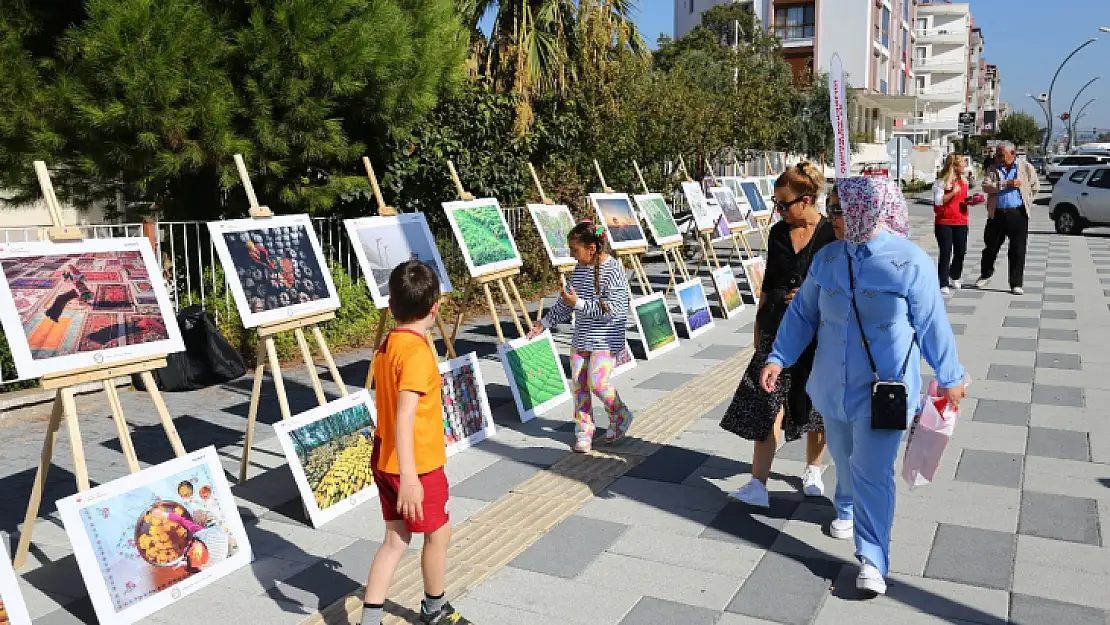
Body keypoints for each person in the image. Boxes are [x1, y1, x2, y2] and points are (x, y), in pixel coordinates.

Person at [761, 176, 966, 596]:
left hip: (884, 392)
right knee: (844, 455)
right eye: (833, 208)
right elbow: (803, 314)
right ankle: (847, 503)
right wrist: (778, 358)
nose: (832, 217)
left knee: (872, 471)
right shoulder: (828, 259)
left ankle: (872, 558)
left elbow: (931, 324)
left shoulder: (909, 262)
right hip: (832, 388)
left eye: (839, 209)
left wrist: (950, 377)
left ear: (865, 212)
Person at [719, 162, 836, 507]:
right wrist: (758, 324)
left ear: (807, 199)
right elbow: (769, 283)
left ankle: (813, 469)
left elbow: (843, 284)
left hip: (819, 330)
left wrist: (812, 294)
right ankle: (758, 483)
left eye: (784, 204)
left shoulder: (831, 234)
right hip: (777, 327)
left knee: (816, 403)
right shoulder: (778, 233)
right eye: (776, 203)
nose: (779, 211)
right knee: (767, 402)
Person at [362, 260, 471, 625]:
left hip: (384, 456)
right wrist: (410, 478)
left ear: (391, 307)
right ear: (436, 306)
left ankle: (370, 619)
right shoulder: (418, 353)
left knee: (395, 540)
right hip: (417, 466)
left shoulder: (388, 344)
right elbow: (405, 415)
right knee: (438, 535)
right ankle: (435, 608)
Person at [528, 221, 633, 453]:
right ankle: (584, 431)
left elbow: (612, 310)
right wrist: (544, 323)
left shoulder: (614, 270)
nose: (572, 255)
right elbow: (566, 303)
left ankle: (620, 414)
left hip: (606, 340)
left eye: (575, 250)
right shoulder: (579, 271)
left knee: (598, 382)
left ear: (591, 248)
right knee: (579, 385)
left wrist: (580, 304)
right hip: (582, 339)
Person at [975, 142, 1039, 295]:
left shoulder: (1025, 167)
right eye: (998, 155)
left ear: (1012, 154)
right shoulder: (993, 168)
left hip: (1018, 214)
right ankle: (986, 273)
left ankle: (1016, 283)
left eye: (1001, 155)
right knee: (990, 247)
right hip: (997, 213)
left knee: (1018, 250)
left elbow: (1035, 186)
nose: (999, 158)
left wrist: (1026, 200)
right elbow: (986, 186)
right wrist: (1006, 184)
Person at [933, 153, 970, 296]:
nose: (965, 166)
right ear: (954, 166)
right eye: (962, 164)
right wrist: (952, 193)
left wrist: (970, 201)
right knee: (946, 251)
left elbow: (963, 199)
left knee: (960, 251)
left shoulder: (964, 181)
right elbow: (938, 201)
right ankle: (942, 282)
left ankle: (955, 275)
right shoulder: (941, 181)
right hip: (944, 221)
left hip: (961, 220)